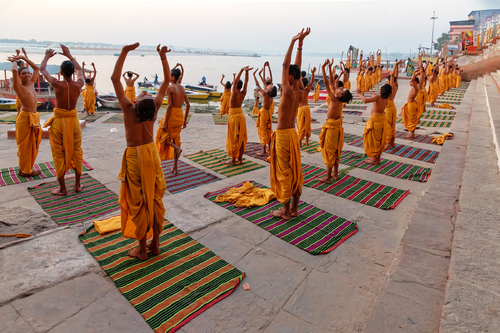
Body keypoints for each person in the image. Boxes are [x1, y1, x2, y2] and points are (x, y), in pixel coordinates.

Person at [110, 43, 169, 260]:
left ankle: (143, 249)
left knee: (139, 201)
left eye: (144, 92)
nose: (145, 90)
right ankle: (155, 245)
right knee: (152, 198)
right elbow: (166, 81)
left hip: (135, 156)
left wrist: (124, 52)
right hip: (151, 153)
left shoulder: (129, 110)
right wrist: (162, 58)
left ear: (135, 103)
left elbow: (115, 80)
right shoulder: (153, 112)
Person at [270, 27, 310, 220]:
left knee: (284, 171)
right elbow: (294, 66)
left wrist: (293, 41)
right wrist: (301, 44)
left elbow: (286, 64)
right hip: (293, 134)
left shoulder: (287, 90)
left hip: (284, 136)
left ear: (289, 78)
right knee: (296, 170)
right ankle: (294, 208)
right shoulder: (300, 91)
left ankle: (285, 211)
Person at [40, 45, 84, 195]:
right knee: (77, 151)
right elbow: (81, 71)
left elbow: (43, 70)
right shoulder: (79, 84)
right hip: (73, 122)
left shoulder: (57, 83)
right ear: (72, 72)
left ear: (61, 72)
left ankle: (63, 188)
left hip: (59, 122)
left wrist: (46, 56)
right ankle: (77, 185)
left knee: (58, 153)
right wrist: (70, 55)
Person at [7, 53, 43, 177]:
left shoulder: (31, 84)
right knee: (24, 146)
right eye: (24, 74)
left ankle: (25, 169)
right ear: (19, 76)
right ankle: (26, 171)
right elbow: (13, 70)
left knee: (33, 145)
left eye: (28, 73)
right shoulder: (18, 87)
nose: (27, 75)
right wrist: (14, 61)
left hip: (33, 117)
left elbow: (37, 68)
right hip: (24, 118)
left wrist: (23, 58)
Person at [318, 59, 352, 183]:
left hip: (332, 128)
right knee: (336, 150)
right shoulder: (339, 101)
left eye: (341, 90)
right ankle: (335, 174)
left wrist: (323, 67)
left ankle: (328, 177)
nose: (339, 88)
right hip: (336, 127)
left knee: (330, 151)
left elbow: (327, 84)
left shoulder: (333, 99)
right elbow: (333, 83)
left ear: (339, 95)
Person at [155, 66, 190, 174]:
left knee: (161, 137)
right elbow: (188, 105)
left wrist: (165, 122)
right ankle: (175, 168)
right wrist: (184, 120)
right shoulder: (182, 88)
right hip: (179, 116)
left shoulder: (170, 88)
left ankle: (176, 148)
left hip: (171, 116)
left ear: (173, 78)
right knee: (175, 139)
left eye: (170, 75)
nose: (168, 77)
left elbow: (169, 106)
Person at [356, 82, 392, 165]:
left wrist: (359, 93)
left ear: (382, 91)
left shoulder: (377, 97)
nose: (379, 88)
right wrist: (373, 95)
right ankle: (377, 158)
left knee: (373, 140)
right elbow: (377, 104)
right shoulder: (385, 99)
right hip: (381, 121)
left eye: (380, 88)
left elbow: (365, 100)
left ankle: (375, 159)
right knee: (378, 140)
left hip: (375, 122)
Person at [225, 66, 252, 165]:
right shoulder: (243, 93)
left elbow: (235, 81)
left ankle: (232, 160)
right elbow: (246, 83)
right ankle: (240, 159)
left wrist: (241, 69)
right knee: (240, 138)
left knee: (233, 137)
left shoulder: (234, 94)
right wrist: (246, 73)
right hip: (241, 116)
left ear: (235, 86)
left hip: (234, 117)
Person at [253, 68, 277, 156]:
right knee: (268, 130)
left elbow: (258, 84)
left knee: (263, 131)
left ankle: (264, 151)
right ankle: (269, 149)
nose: (269, 85)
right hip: (268, 113)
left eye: (270, 86)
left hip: (264, 114)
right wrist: (260, 73)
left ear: (270, 90)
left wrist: (254, 75)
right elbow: (263, 83)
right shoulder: (270, 95)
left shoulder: (265, 94)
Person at [384, 60, 402, 150]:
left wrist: (395, 65)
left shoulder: (390, 86)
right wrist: (397, 66)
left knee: (388, 126)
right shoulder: (396, 85)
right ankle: (392, 142)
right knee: (392, 125)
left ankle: (388, 143)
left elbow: (392, 75)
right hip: (393, 106)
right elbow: (395, 76)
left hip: (388, 108)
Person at [297, 67, 316, 147]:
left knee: (301, 125)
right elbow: (311, 82)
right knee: (307, 125)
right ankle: (307, 142)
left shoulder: (298, 90)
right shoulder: (307, 90)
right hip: (307, 108)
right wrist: (313, 73)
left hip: (301, 108)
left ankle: (300, 143)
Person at [401, 69, 420, 138]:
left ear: (415, 82)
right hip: (410, 104)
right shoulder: (414, 87)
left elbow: (412, 80)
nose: (410, 82)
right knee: (410, 118)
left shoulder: (415, 88)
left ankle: (412, 133)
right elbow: (412, 80)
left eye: (411, 81)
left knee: (412, 119)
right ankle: (411, 132)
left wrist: (414, 73)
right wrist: (414, 74)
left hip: (411, 104)